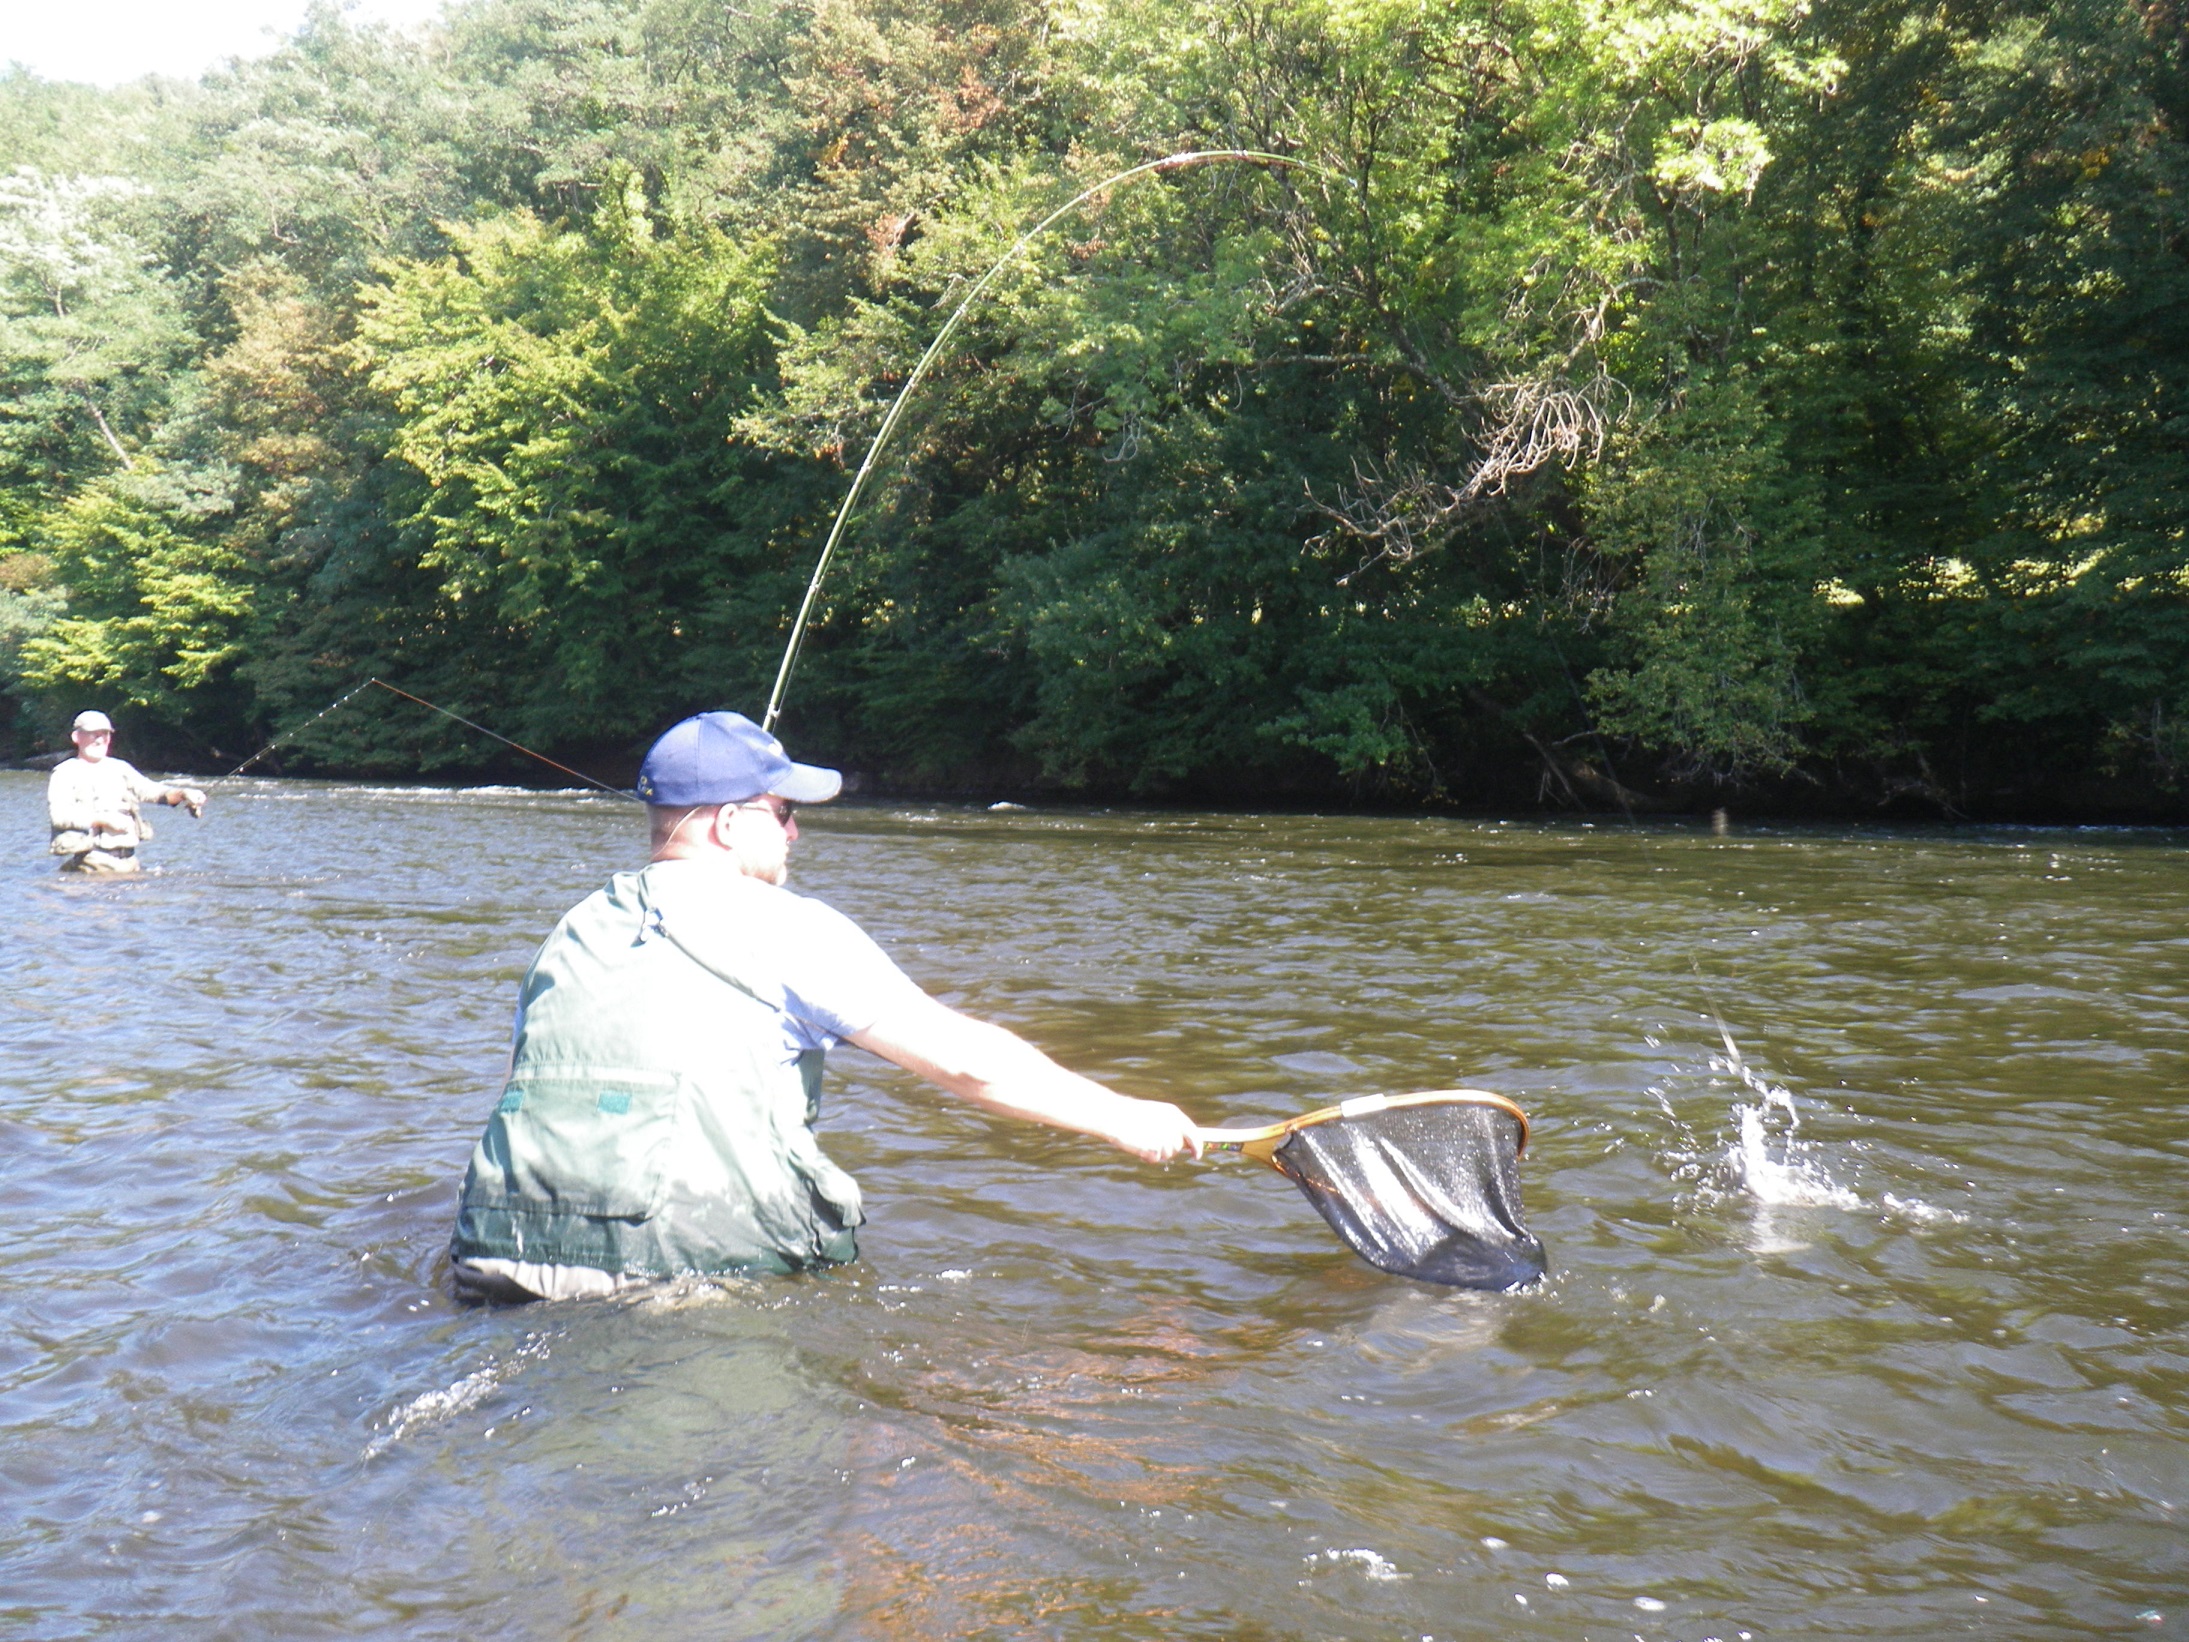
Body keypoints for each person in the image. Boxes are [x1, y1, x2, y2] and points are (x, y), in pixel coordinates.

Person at [449, 710, 1202, 1303]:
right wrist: (1123, 1117)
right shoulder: (787, 925)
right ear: (728, 824)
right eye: (782, 812)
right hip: (678, 1275)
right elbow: (967, 1062)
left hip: (498, 1257)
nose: (796, 831)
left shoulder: (570, 930)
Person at [46, 710, 208, 873]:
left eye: (105, 734)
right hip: (91, 863)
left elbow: (152, 791)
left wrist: (184, 793)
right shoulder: (65, 772)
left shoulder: (120, 767)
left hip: (130, 862)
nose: (100, 739)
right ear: (76, 737)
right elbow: (60, 816)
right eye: (93, 734)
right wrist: (103, 820)